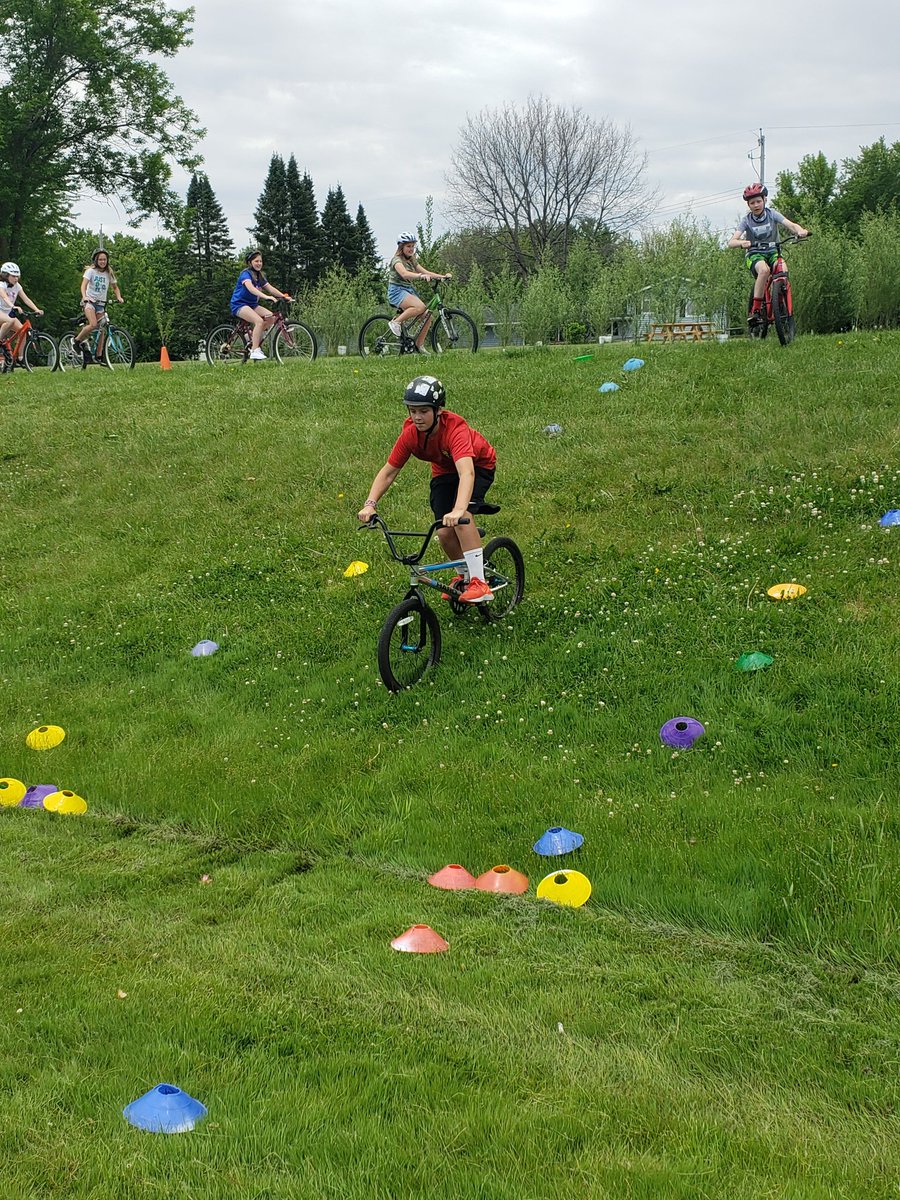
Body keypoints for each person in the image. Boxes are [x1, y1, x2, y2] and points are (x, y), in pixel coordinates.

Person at [357, 376, 497, 604]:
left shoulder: (455, 430)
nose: (417, 417)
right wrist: (370, 504)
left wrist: (459, 509)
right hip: (443, 470)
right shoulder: (410, 434)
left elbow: (466, 473)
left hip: (477, 466)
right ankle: (463, 577)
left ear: (438, 410)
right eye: (412, 411)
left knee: (462, 518)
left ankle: (480, 583)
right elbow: (389, 471)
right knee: (443, 531)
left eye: (423, 411)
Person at [728, 184, 809, 328]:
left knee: (783, 269)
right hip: (754, 254)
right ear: (748, 205)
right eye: (752, 203)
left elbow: (791, 225)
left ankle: (779, 302)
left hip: (773, 252)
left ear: (764, 199)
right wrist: (742, 243)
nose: (756, 205)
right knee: (764, 271)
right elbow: (731, 242)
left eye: (758, 201)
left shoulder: (772, 214)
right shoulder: (746, 221)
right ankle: (756, 310)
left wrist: (800, 230)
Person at [387, 234, 451, 352]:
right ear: (402, 247)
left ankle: (419, 345)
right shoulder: (396, 260)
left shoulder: (412, 260)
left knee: (427, 316)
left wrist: (442, 277)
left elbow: (425, 271)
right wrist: (420, 276)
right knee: (420, 307)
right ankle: (395, 322)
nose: (411, 249)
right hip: (396, 291)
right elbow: (405, 274)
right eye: (408, 246)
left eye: (413, 246)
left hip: (408, 290)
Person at [230, 250, 293, 361]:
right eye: (256, 261)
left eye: (260, 261)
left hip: (252, 305)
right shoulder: (245, 274)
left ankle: (252, 337)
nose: (259, 263)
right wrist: (266, 297)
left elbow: (270, 288)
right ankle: (255, 350)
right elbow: (251, 288)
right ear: (250, 263)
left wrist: (283, 296)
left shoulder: (260, 276)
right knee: (258, 321)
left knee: (271, 317)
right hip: (239, 305)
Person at [73, 248, 124, 368]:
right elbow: (83, 286)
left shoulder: (108, 273)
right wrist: (85, 297)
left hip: (101, 304)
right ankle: (77, 341)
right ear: (96, 260)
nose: (103, 261)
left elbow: (115, 287)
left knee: (102, 329)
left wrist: (119, 297)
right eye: (100, 259)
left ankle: (99, 356)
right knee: (93, 324)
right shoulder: (91, 271)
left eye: (104, 259)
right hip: (90, 302)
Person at [0, 262, 44, 366]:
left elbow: (26, 299)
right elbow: (5, 297)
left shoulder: (17, 286)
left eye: (17, 276)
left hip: (6, 313)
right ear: (6, 275)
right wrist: (13, 306)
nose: (16, 279)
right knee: (10, 320)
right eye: (13, 276)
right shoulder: (1, 285)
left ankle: (20, 358)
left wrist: (36, 309)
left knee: (22, 331)